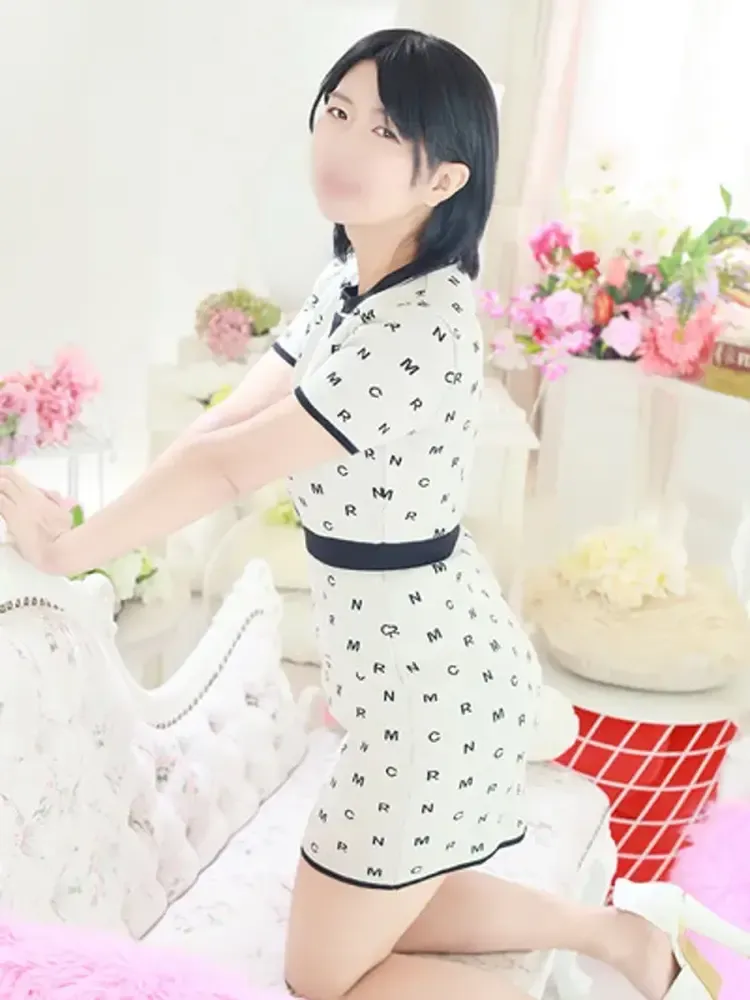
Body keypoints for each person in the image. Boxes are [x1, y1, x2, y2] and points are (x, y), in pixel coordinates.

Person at [1, 27, 746, 1000]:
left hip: (429, 694)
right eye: (338, 112)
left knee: (323, 977)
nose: (345, 143)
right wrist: (87, 528)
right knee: (380, 907)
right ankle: (622, 936)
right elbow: (227, 422)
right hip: (412, 665)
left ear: (444, 178)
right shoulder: (350, 282)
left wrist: (71, 552)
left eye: (387, 130)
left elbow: (227, 467)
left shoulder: (417, 324)